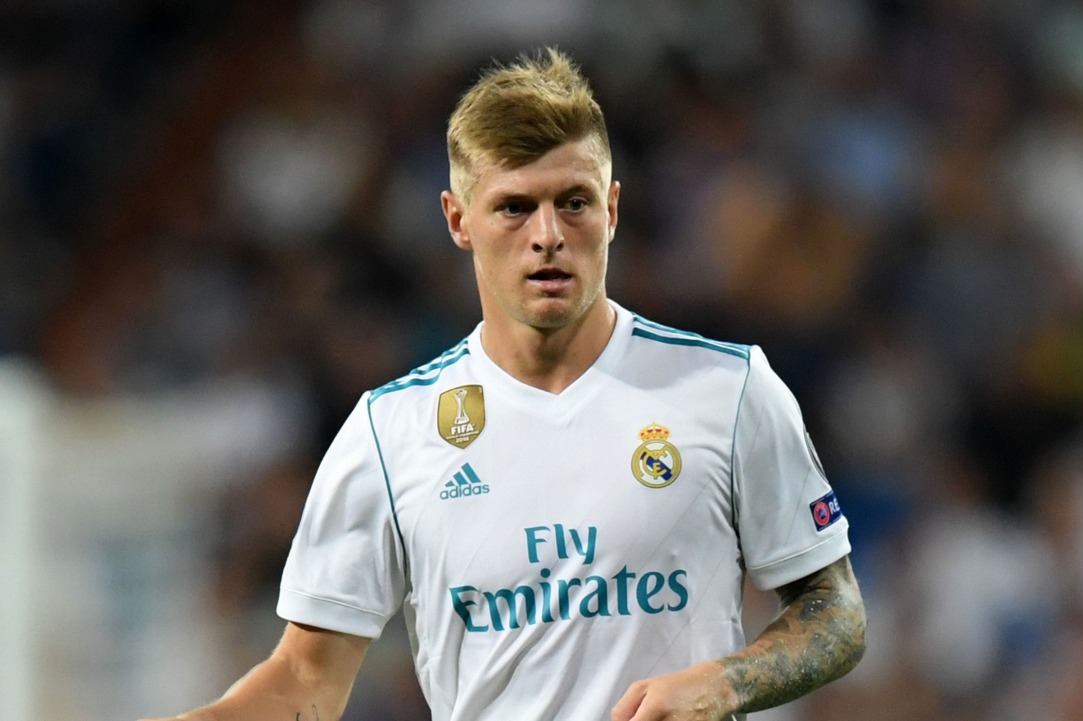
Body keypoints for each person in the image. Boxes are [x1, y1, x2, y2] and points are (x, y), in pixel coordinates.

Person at [140, 47, 866, 721]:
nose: (547, 233)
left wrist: (725, 681)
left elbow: (834, 612)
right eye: (515, 206)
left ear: (611, 209)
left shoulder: (727, 388)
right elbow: (305, 677)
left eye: (573, 202)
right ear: (459, 220)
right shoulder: (391, 433)